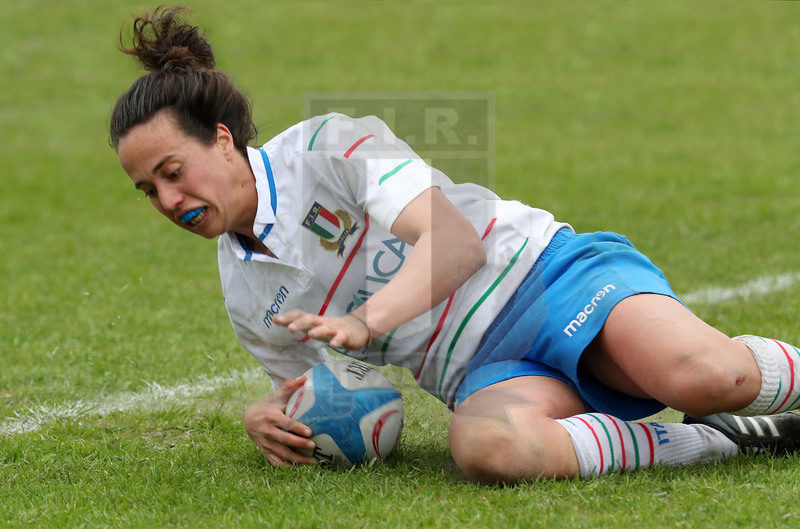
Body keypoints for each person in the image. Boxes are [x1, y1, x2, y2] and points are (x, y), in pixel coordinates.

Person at [110, 6, 800, 484]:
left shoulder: (329, 147)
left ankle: (724, 399)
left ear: (222, 140)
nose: (168, 200)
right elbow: (329, 391)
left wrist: (367, 320)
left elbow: (457, 242)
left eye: (172, 172)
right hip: (481, 374)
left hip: (549, 280)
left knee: (710, 376)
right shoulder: (245, 293)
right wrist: (269, 415)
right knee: (488, 449)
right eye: (149, 190)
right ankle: (717, 439)